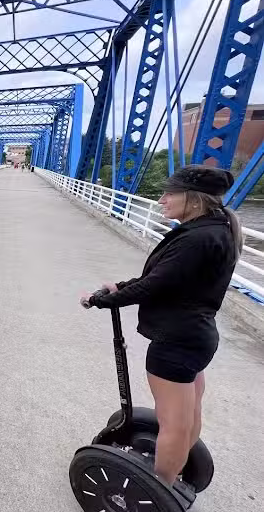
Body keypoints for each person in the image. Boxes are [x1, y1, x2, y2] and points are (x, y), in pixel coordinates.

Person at [80, 165, 243, 485]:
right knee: (188, 415)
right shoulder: (215, 229)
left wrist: (99, 301)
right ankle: (177, 471)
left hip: (176, 342)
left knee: (173, 425)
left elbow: (153, 286)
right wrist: (120, 287)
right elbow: (166, 278)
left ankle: (161, 487)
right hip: (196, 336)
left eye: (170, 193)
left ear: (194, 200)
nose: (161, 200)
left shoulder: (195, 239)